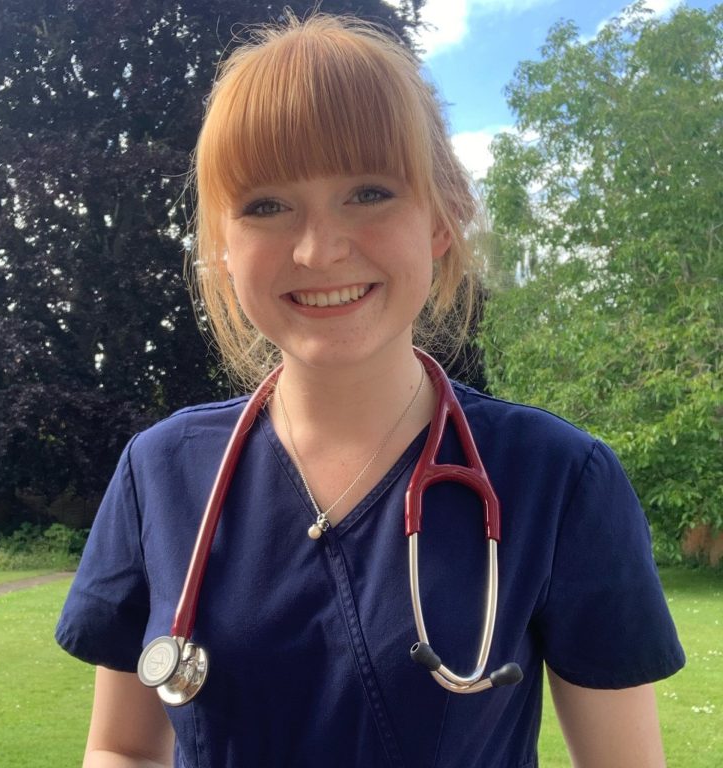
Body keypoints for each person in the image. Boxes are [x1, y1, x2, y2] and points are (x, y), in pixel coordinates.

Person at [56, 12, 684, 768]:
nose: (319, 248)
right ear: (223, 246)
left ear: (441, 221)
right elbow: (123, 746)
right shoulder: (158, 474)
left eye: (370, 192)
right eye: (265, 205)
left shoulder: (560, 480)